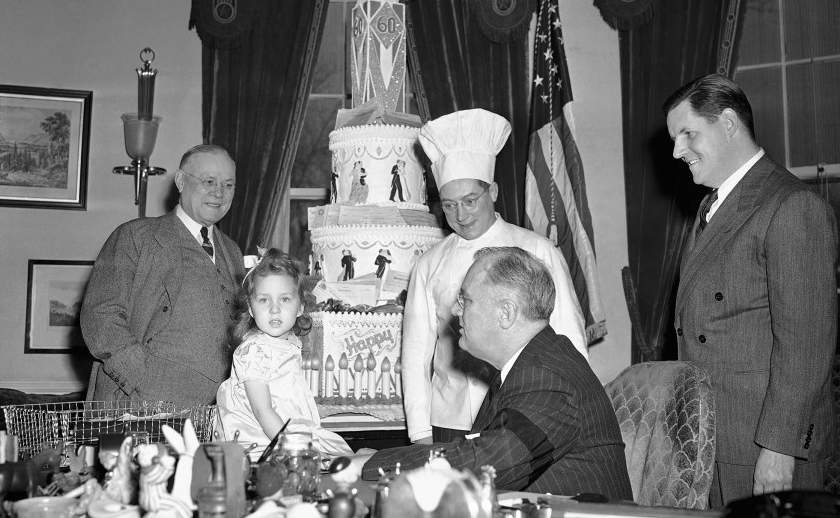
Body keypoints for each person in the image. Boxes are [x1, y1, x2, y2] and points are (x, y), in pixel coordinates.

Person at [664, 74, 837, 507]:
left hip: (763, 446)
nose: (676, 150)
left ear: (727, 123)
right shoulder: (713, 206)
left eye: (687, 133)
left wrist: (780, 450)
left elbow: (807, 347)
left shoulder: (791, 206)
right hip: (713, 440)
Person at [355, 247, 631, 500]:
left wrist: (374, 464)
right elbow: (480, 453)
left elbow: (488, 464)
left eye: (466, 300)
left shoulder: (547, 376)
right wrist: (384, 459)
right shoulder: (530, 363)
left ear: (506, 313)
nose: (454, 309)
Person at [403, 108, 588, 444]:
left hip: (527, 414)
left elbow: (570, 340)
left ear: (494, 192)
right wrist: (419, 433)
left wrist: (576, 415)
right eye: (448, 204)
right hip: (451, 420)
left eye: (470, 200)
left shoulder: (538, 250)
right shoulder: (429, 264)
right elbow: (416, 354)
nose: (460, 214)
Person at [81, 144, 246, 407]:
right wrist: (141, 380)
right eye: (209, 181)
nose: (219, 192)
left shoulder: (233, 251)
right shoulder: (135, 237)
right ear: (181, 181)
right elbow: (100, 315)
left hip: (214, 414)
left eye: (228, 185)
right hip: (138, 409)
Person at [216, 249, 351, 460]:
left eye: (285, 299)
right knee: (334, 460)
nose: (274, 309)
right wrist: (293, 451)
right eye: (264, 300)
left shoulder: (287, 344)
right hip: (262, 442)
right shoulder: (254, 350)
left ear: (301, 307)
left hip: (284, 430)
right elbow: (262, 411)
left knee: (339, 455)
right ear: (251, 308)